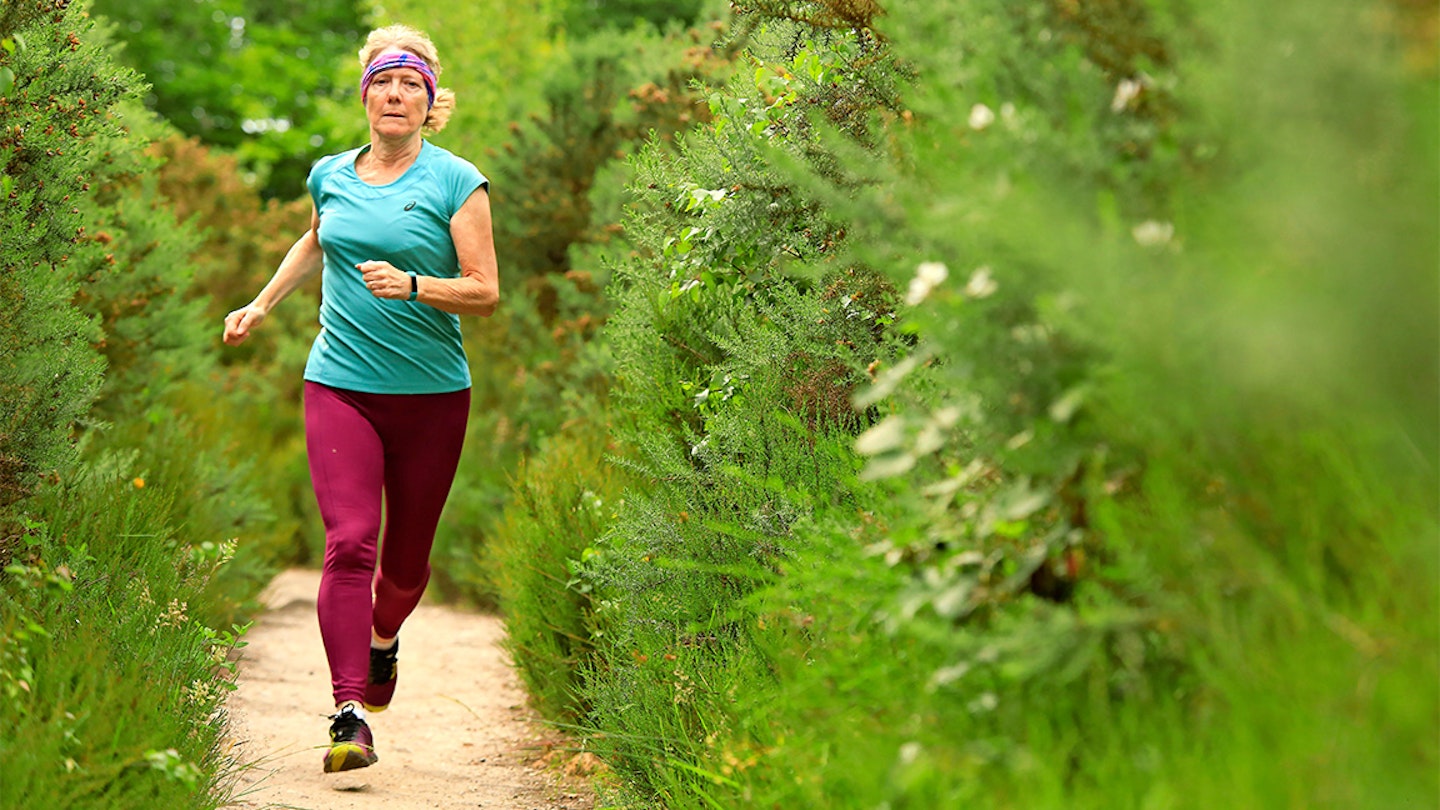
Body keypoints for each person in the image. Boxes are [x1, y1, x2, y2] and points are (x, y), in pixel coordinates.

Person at [222, 24, 498, 774]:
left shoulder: (455, 181)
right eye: (384, 81)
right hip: (339, 383)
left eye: (412, 85)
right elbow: (316, 238)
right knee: (349, 542)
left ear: (430, 102)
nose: (396, 95)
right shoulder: (329, 174)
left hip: (432, 396)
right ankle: (349, 714)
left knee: (405, 569)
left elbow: (485, 291)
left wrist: (416, 286)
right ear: (366, 95)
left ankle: (383, 643)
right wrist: (262, 303)